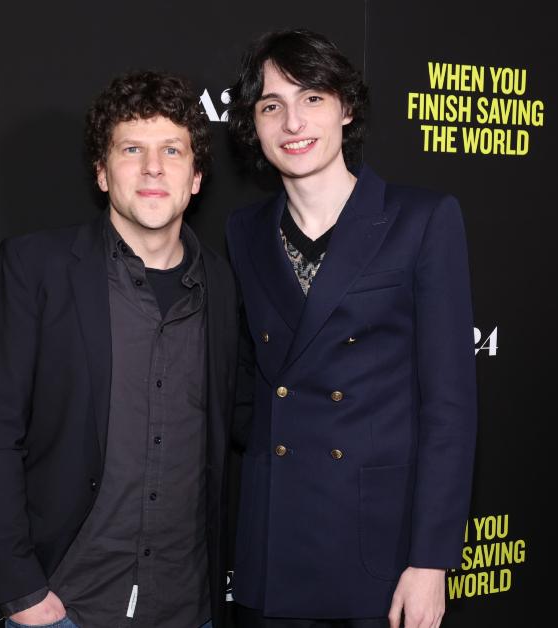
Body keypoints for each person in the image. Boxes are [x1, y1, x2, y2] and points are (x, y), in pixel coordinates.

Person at [224, 29, 478, 628]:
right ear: (254, 127)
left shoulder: (422, 219)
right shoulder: (243, 231)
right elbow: (242, 382)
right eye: (271, 105)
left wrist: (431, 561)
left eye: (312, 97)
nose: (292, 121)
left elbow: (449, 407)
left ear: (347, 107)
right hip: (275, 540)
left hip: (379, 549)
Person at [0, 70, 239, 628]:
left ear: (196, 177)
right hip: (66, 605)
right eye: (131, 149)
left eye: (172, 149)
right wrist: (20, 589)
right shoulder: (35, 269)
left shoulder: (225, 282)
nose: (152, 167)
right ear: (101, 172)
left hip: (189, 606)